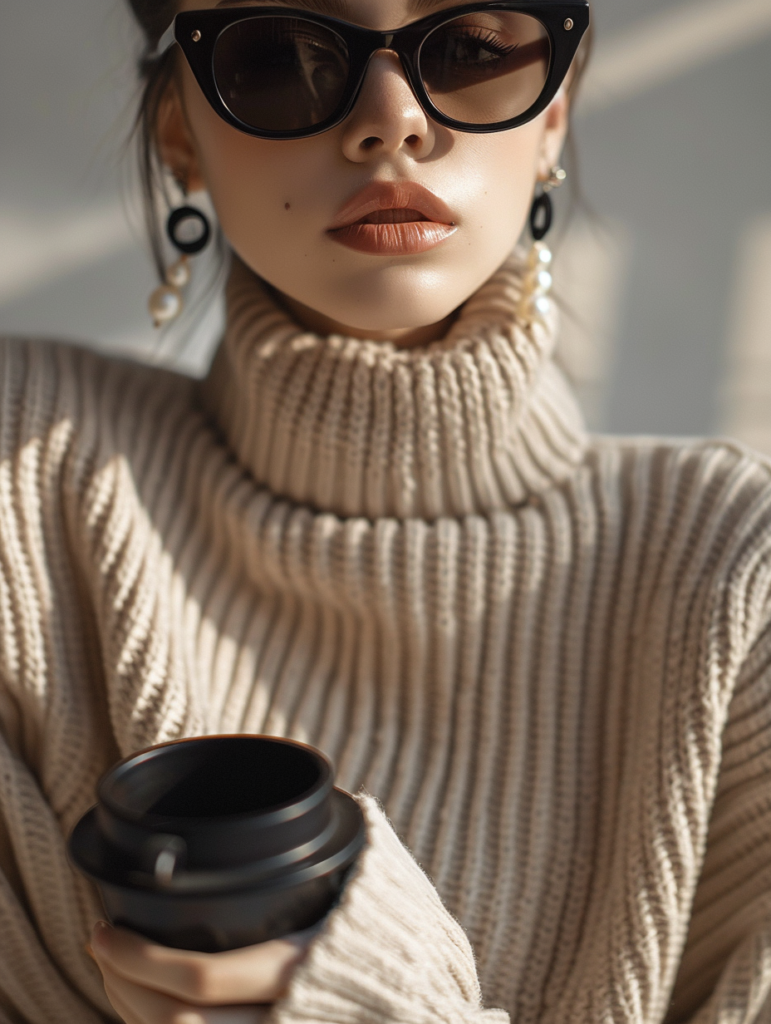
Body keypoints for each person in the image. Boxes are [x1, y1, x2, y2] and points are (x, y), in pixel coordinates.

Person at [1, 0, 771, 1022]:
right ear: (181, 133)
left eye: (471, 48)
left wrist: (371, 997)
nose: (391, 120)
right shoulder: (23, 472)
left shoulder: (734, 573)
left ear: (553, 112)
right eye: (282, 57)